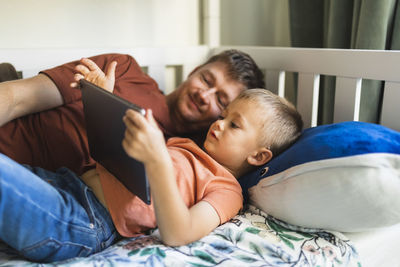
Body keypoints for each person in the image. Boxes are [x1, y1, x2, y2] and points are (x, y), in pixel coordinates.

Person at [0, 88, 303, 262]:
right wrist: (102, 102)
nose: (219, 123)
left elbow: (179, 233)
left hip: (80, 221)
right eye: (223, 115)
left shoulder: (227, 190)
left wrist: (158, 160)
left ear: (259, 156)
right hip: (64, 183)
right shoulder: (184, 145)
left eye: (234, 125)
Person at [0, 50, 265, 176]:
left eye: (220, 99)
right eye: (206, 80)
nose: (203, 96)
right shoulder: (123, 70)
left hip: (32, 192)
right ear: (194, 71)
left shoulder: (184, 158)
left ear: (226, 114)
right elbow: (17, 98)